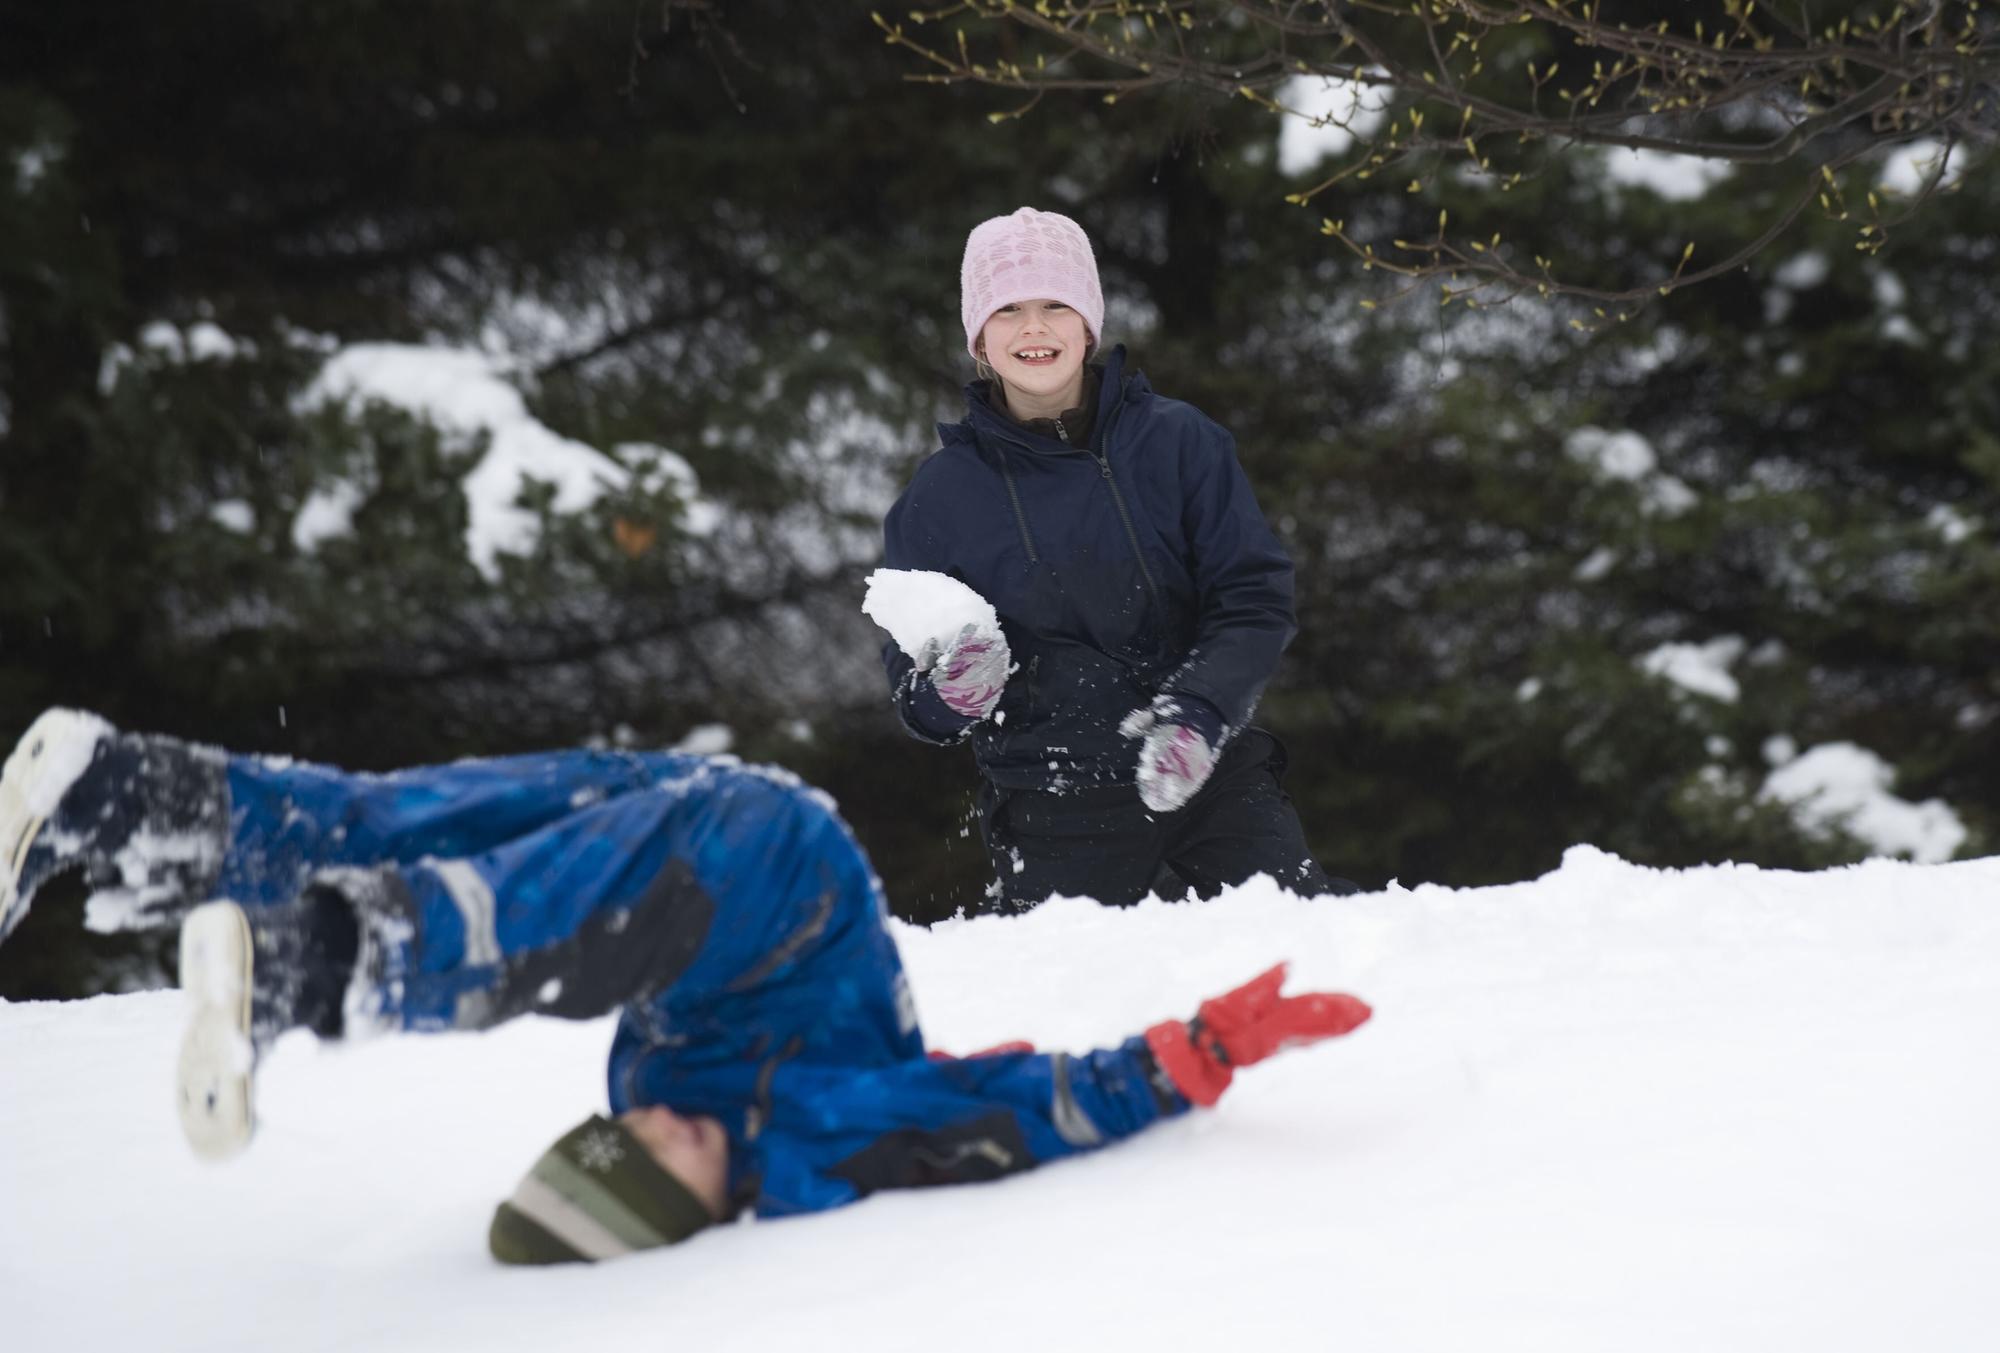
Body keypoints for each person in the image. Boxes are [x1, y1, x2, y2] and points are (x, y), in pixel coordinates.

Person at [1, 708, 1372, 1264]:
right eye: (653, 1166)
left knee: (421, 822)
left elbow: (606, 967)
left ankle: (123, 796)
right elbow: (1017, 1109)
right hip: (781, 885)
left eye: (626, 1142)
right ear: (692, 1222)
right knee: (569, 918)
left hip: (704, 832)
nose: (655, 1128)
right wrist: (1189, 1052)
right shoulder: (831, 1151)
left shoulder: (661, 1095)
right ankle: (314, 965)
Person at [881, 206, 1354, 912]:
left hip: (1208, 771)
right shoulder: (940, 497)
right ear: (980, 336)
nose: (1033, 329)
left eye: (1054, 305)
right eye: (1008, 309)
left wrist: (1198, 711)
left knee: (1304, 946)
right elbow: (910, 685)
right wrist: (950, 693)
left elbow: (1252, 595)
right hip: (1054, 800)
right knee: (1080, 1006)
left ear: (1088, 324)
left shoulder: (1180, 443)